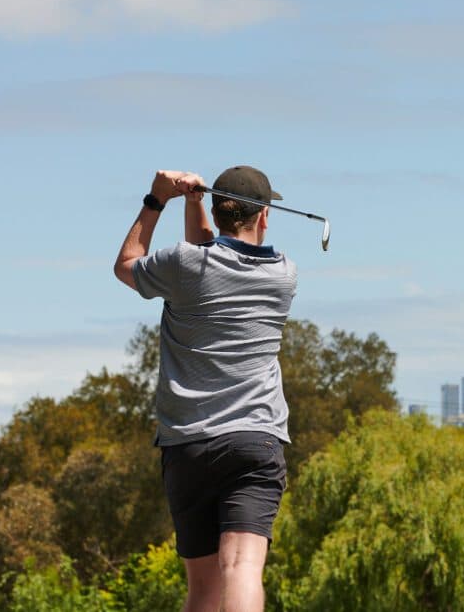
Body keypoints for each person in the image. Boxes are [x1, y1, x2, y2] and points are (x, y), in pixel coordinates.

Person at [114, 166, 297, 612]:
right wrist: (195, 205)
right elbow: (208, 256)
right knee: (241, 568)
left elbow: (127, 265)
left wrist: (158, 199)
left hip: (187, 446)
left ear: (218, 209)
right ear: (265, 217)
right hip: (255, 439)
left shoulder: (184, 264)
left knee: (203, 588)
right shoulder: (284, 275)